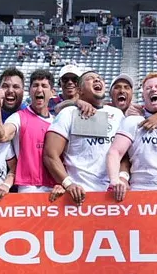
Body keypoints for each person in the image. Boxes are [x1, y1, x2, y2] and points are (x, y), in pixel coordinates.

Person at [45, 71, 126, 202]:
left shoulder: (117, 114)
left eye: (100, 78)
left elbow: (125, 154)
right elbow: (50, 155)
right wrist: (68, 184)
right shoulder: (69, 113)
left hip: (112, 196)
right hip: (79, 195)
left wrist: (122, 177)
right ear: (80, 90)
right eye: (90, 79)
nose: (97, 80)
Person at [0, 69, 56, 192]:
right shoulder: (18, 117)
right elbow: (1, 136)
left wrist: (62, 183)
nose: (39, 89)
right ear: (29, 91)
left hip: (54, 187)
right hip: (29, 186)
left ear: (52, 92)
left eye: (44, 86)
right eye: (35, 86)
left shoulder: (56, 122)